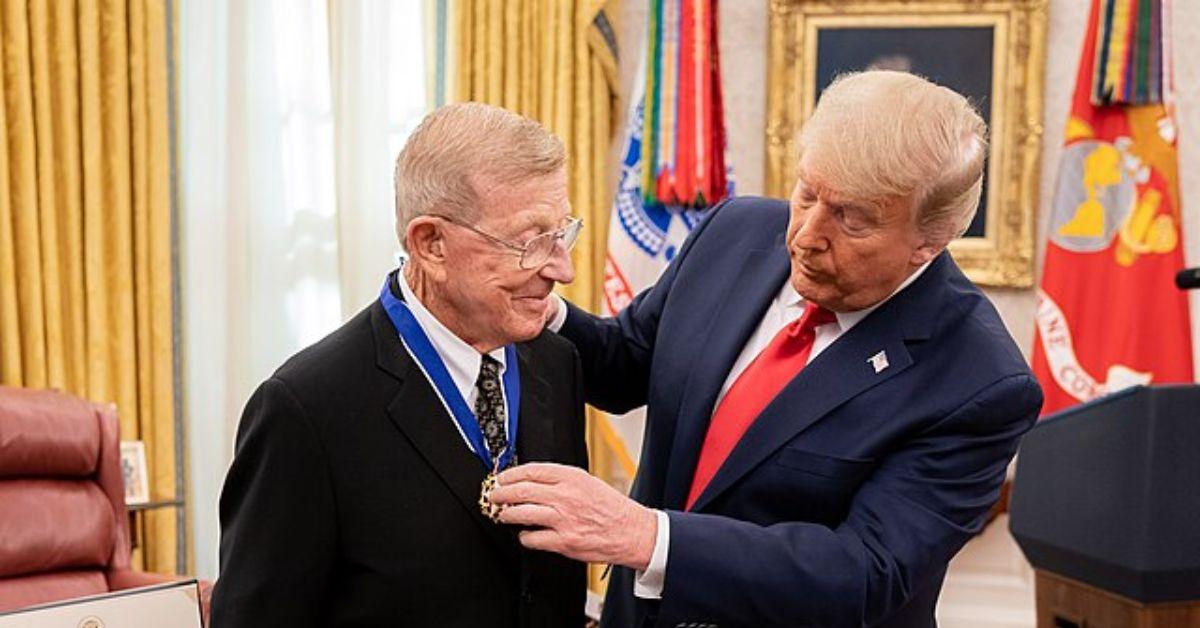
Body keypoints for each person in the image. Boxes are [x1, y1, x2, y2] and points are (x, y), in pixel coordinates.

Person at [489, 70, 1044, 627]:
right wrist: (538, 307)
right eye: (806, 192)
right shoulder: (736, 231)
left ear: (932, 238)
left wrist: (645, 536)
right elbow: (626, 360)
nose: (805, 234)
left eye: (852, 218)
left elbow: (864, 572)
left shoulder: (981, 382)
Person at [211, 102, 589, 627]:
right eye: (530, 242)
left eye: (563, 233)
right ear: (430, 243)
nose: (562, 270)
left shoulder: (556, 365)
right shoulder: (306, 409)